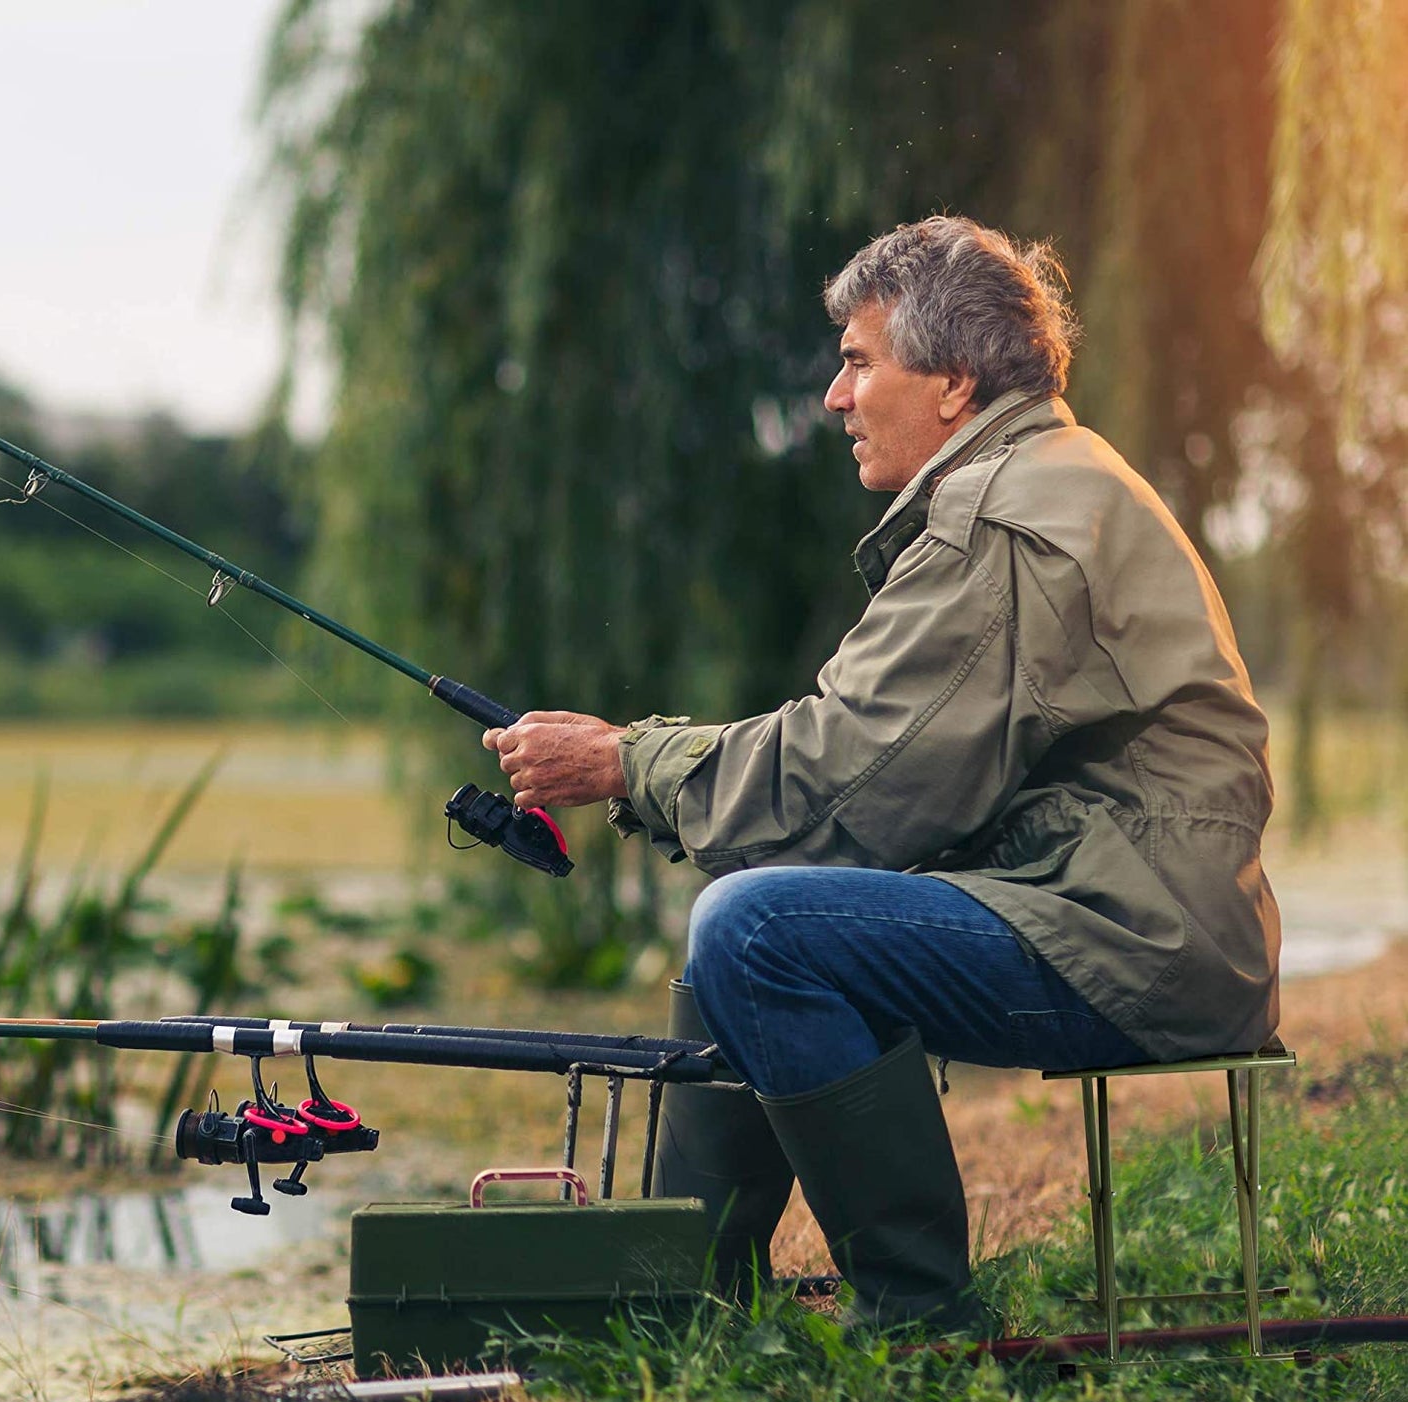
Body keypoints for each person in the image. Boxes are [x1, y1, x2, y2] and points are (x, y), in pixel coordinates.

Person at [482, 216, 1280, 1335]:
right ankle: (679, 1300)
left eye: (858, 362)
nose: (832, 396)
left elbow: (848, 778)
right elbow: (871, 785)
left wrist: (625, 760)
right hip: (1141, 921)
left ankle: (915, 1316)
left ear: (952, 382)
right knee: (747, 925)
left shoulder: (998, 520)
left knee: (757, 928)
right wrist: (655, 774)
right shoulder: (1043, 476)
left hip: (1129, 946)